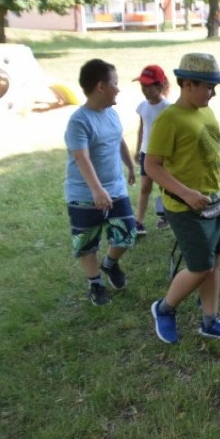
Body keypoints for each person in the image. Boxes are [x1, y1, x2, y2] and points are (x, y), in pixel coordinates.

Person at [146, 53, 220, 344]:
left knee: (214, 262)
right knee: (200, 266)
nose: (211, 93)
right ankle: (164, 308)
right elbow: (151, 166)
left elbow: (213, 157)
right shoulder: (169, 119)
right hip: (185, 208)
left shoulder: (207, 113)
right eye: (207, 87)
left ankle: (210, 321)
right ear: (186, 83)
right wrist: (187, 193)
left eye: (214, 87)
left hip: (215, 204)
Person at [64, 59, 137, 306]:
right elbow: (81, 157)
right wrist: (96, 189)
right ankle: (95, 283)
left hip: (115, 188)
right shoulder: (79, 121)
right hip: (84, 192)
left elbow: (119, 140)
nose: (118, 88)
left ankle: (110, 263)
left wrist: (130, 164)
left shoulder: (112, 113)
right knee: (86, 243)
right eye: (115, 83)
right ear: (101, 87)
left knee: (126, 234)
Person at [132, 65, 170, 234]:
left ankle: (167, 214)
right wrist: (138, 148)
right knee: (144, 188)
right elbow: (142, 128)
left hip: (163, 155)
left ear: (160, 86)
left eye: (149, 86)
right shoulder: (142, 106)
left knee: (165, 187)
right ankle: (138, 222)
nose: (145, 90)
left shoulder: (168, 108)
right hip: (147, 153)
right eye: (142, 86)